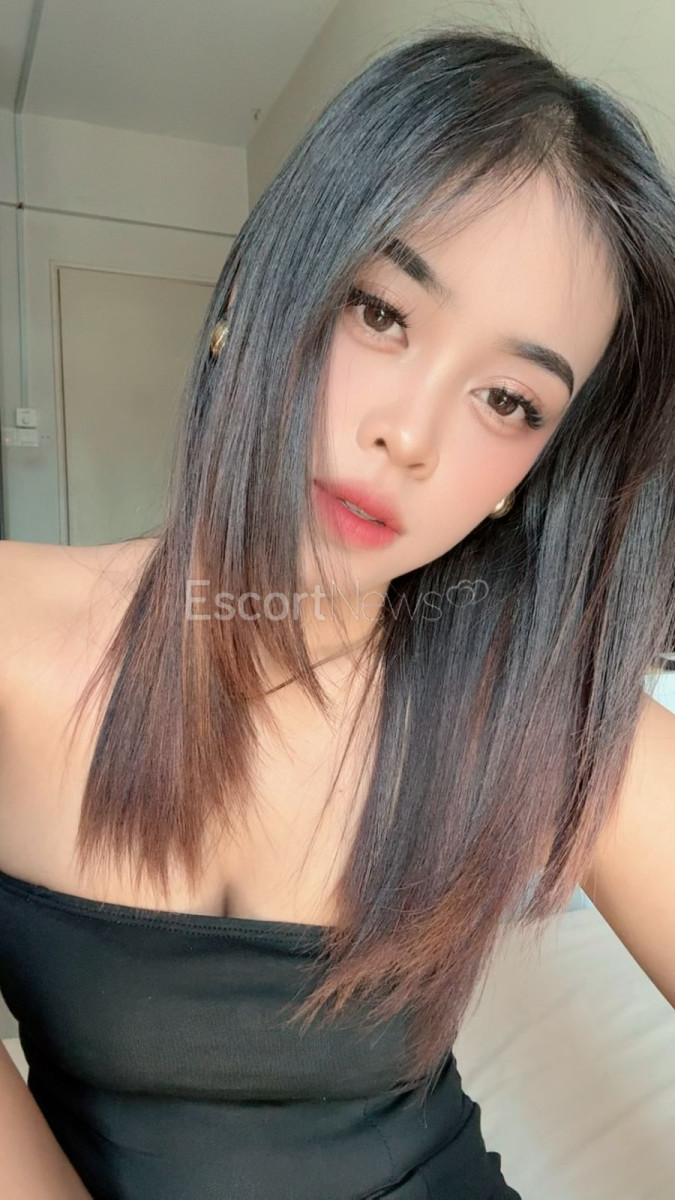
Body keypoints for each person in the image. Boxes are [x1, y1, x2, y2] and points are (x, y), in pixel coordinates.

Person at [1, 23, 674, 1200]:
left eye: (509, 400)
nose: (408, 436)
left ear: (531, 473)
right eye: (382, 312)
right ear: (256, 295)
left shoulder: (542, 712)